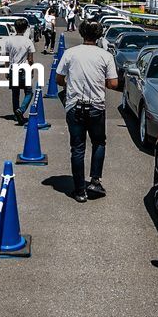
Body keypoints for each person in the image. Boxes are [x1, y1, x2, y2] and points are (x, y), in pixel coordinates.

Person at [55, 20, 118, 203]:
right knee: (98, 143)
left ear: (82, 34)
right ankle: (95, 181)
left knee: (77, 148)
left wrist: (72, 83)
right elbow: (113, 83)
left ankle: (80, 190)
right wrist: (100, 81)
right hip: (96, 107)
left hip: (74, 106)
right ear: (99, 35)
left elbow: (59, 78)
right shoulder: (105, 56)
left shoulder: (70, 53)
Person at [3, 18, 35, 124]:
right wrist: (32, 70)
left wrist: (7, 71)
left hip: (13, 69)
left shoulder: (9, 40)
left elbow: (7, 57)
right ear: (26, 28)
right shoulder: (28, 41)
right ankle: (21, 110)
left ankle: (16, 114)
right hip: (24, 69)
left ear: (15, 28)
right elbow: (30, 59)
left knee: (15, 93)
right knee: (29, 92)